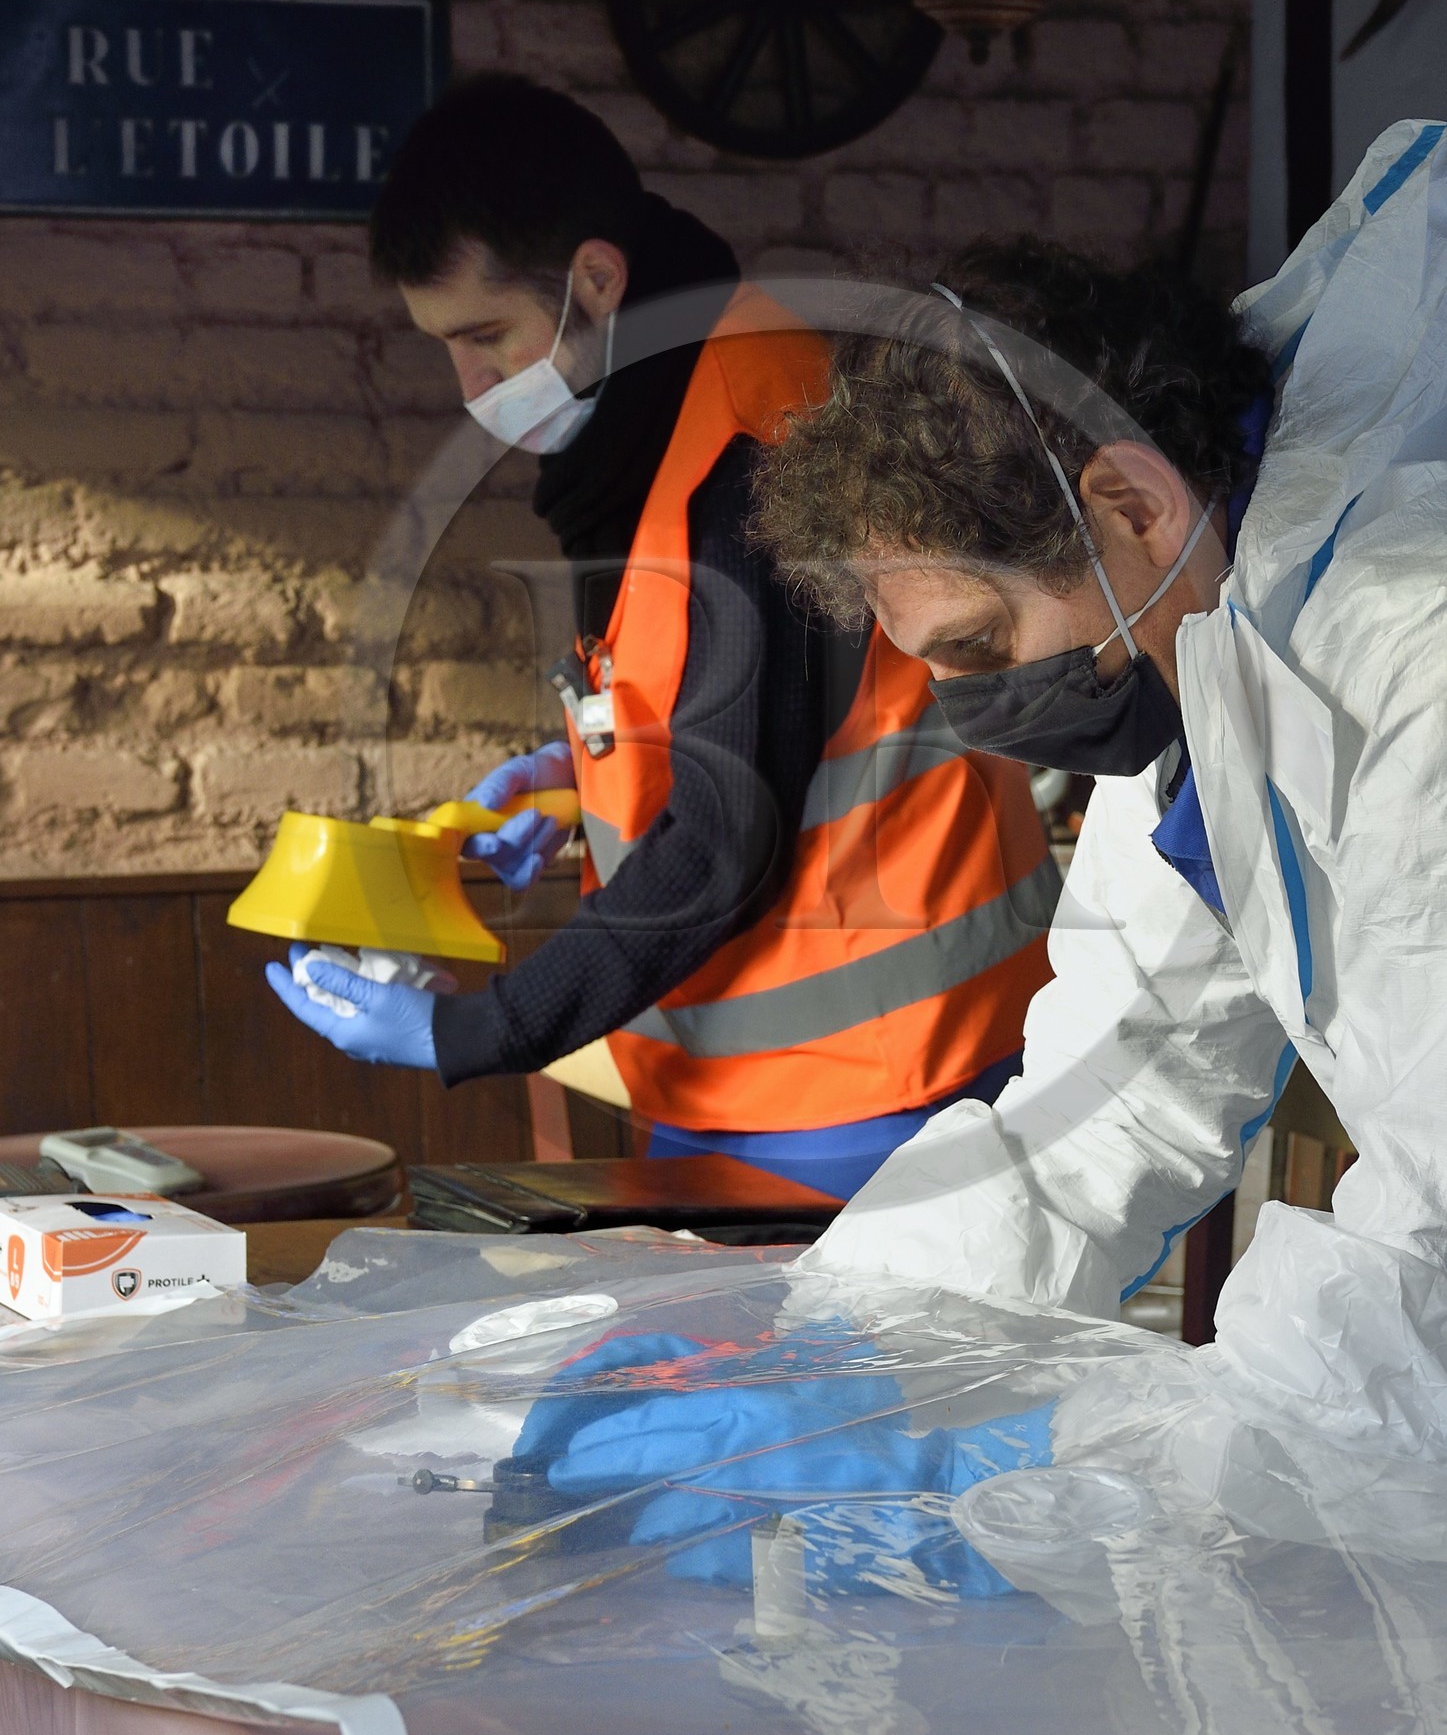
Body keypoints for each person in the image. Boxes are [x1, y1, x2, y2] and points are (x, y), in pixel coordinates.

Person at [502, 119, 1447, 1569]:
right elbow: (1111, 1102)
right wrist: (827, 1352)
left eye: (979, 644)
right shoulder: (1212, 612)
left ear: (1127, 504)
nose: (975, 711)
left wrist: (1020, 1477)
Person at [265, 75, 1058, 1199]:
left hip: (878, 1090)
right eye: (446, 344)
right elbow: (739, 710)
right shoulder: (646, 420)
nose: (471, 384)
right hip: (737, 1080)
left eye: (487, 333)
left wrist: (478, 1032)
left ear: (595, 277)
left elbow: (727, 832)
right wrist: (571, 782)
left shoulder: (752, 434)